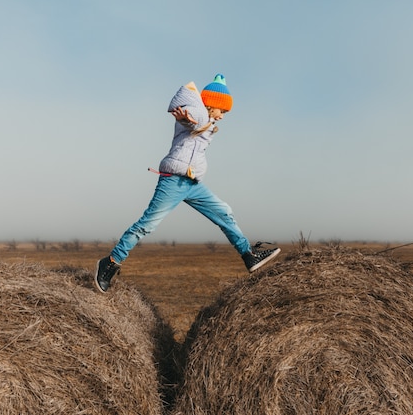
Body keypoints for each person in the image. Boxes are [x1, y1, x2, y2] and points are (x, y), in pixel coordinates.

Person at [94, 74, 280, 293]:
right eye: (223, 111)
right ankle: (111, 262)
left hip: (192, 183)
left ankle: (248, 255)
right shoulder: (199, 115)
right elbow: (189, 119)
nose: (222, 117)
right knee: (147, 225)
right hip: (173, 181)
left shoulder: (208, 123)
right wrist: (187, 117)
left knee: (224, 212)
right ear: (212, 104)